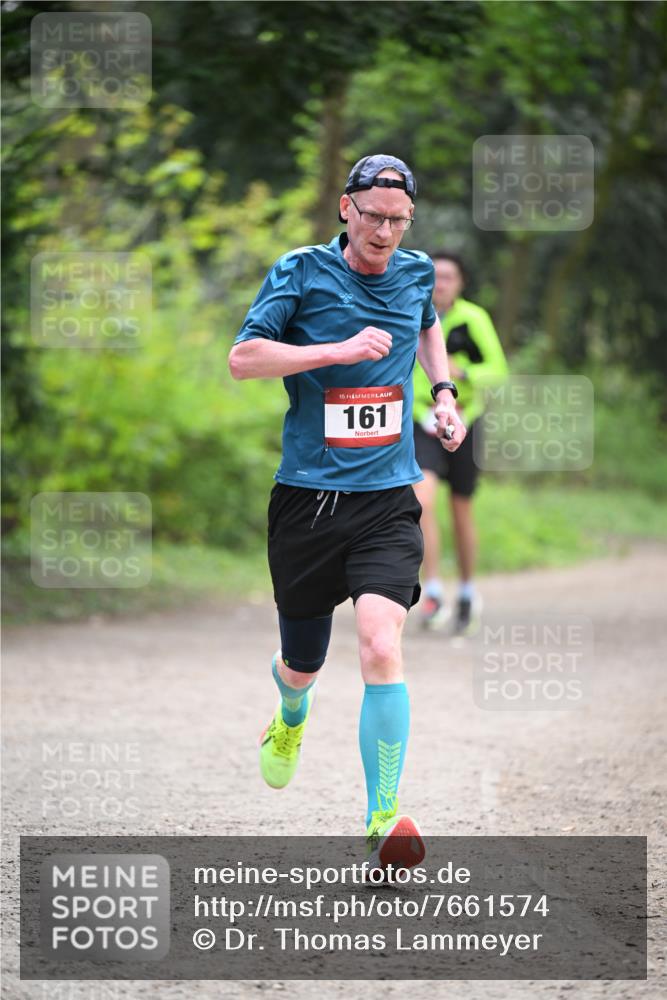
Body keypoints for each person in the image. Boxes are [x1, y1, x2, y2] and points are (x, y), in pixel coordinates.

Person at [228, 154, 465, 870]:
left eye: (399, 221)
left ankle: (382, 818)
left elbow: (426, 329)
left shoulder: (417, 272)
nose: (385, 233)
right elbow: (243, 359)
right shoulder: (300, 272)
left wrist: (444, 393)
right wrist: (332, 349)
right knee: (303, 664)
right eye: (373, 218)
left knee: (381, 645)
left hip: (387, 501)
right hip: (306, 500)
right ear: (344, 208)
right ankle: (291, 712)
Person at [412, 253, 508, 635]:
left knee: (460, 509)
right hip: (423, 420)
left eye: (449, 276)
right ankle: (432, 589)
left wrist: (462, 371)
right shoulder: (414, 314)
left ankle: (467, 590)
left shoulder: (474, 319)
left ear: (461, 282)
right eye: (435, 276)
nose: (441, 283)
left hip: (465, 420)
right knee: (422, 501)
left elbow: (499, 371)